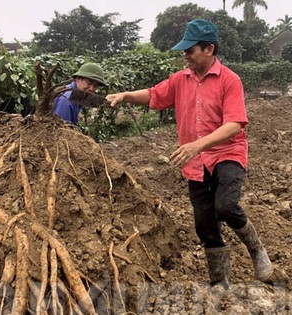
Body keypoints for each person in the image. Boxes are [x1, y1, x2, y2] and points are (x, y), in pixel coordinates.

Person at [105, 19, 272, 289]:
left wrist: (198, 145)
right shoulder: (180, 80)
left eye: (190, 50)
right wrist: (125, 96)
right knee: (204, 223)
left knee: (226, 206)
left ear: (209, 49)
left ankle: (255, 249)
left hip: (227, 153)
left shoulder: (230, 80)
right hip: (195, 161)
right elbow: (153, 95)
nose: (186, 55)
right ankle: (220, 281)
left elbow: (234, 125)